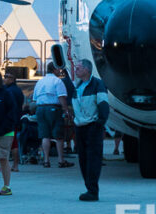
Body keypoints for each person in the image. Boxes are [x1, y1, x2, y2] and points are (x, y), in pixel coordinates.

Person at [71, 59, 109, 201]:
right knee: (83, 158)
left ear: (87, 69)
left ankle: (93, 190)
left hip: (92, 126)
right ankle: (89, 187)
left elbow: (103, 105)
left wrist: (99, 123)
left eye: (79, 68)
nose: (76, 70)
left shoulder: (98, 84)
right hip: (80, 127)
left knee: (93, 158)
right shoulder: (78, 86)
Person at [32, 62, 72, 168]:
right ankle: (61, 160)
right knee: (58, 135)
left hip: (40, 108)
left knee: (45, 135)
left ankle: (46, 160)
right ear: (55, 69)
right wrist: (66, 110)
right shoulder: (57, 81)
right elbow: (61, 97)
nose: (60, 71)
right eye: (58, 69)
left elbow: (35, 98)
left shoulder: (40, 82)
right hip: (54, 108)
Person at [3, 72, 24, 172]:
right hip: (15, 120)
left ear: (12, 79)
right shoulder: (18, 90)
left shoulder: (9, 91)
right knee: (12, 143)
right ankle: (12, 165)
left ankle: (13, 165)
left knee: (10, 144)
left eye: (6, 77)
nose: (4, 79)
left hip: (9, 121)